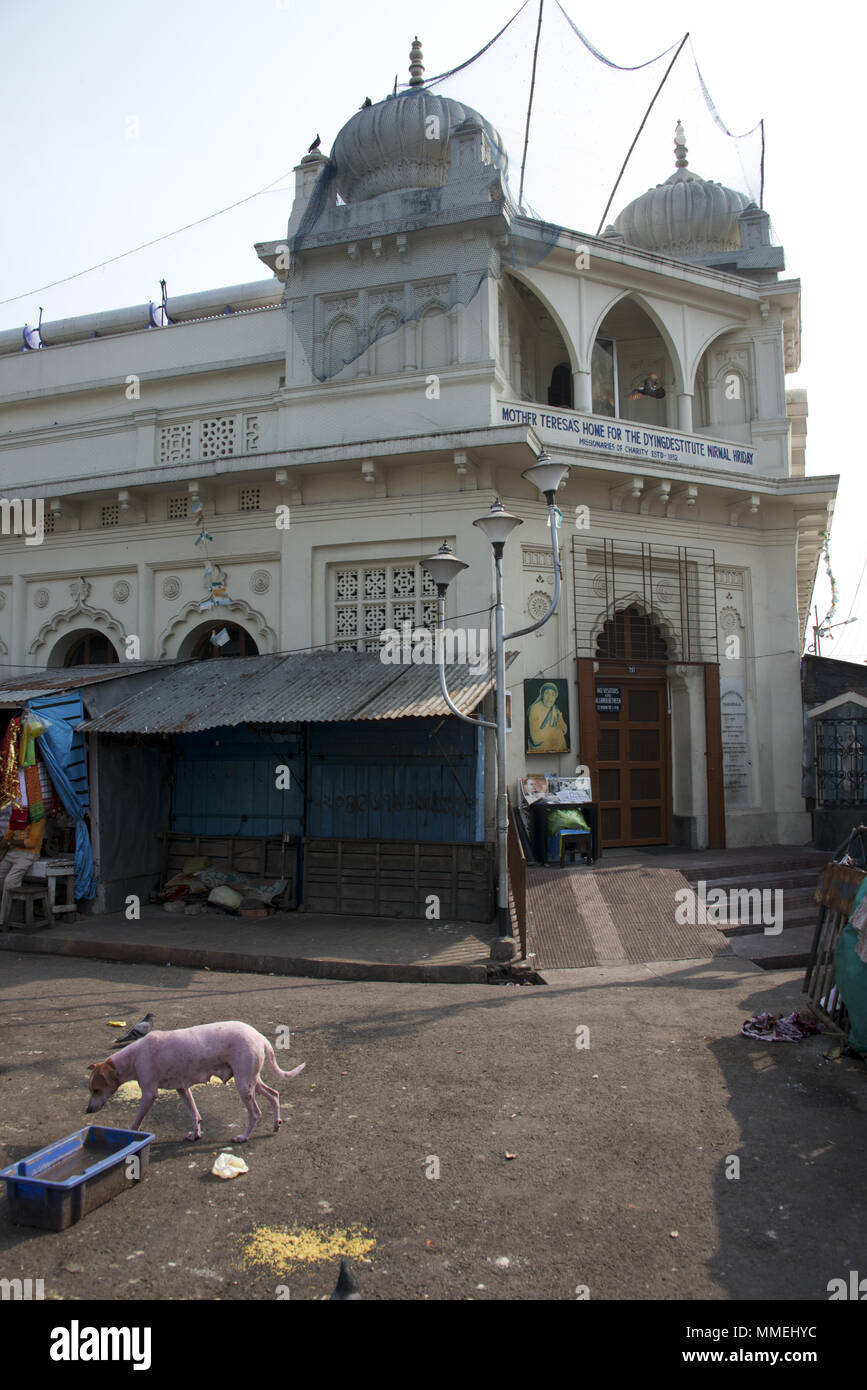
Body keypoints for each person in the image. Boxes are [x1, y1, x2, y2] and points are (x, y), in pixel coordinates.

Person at [0, 815, 46, 926]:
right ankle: (11, 914)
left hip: (29, 853)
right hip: (12, 852)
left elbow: (31, 843)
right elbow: (7, 836)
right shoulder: (16, 817)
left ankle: (4, 921)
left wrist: (10, 842)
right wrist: (6, 844)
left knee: (10, 881)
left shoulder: (38, 819)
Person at [527, 682, 568, 754]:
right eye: (546, 693)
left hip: (554, 747)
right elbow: (535, 739)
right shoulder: (534, 709)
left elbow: (564, 730)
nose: (549, 697)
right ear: (542, 695)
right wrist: (555, 730)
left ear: (555, 697)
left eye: (553, 694)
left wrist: (561, 721)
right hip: (539, 747)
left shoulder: (554, 709)